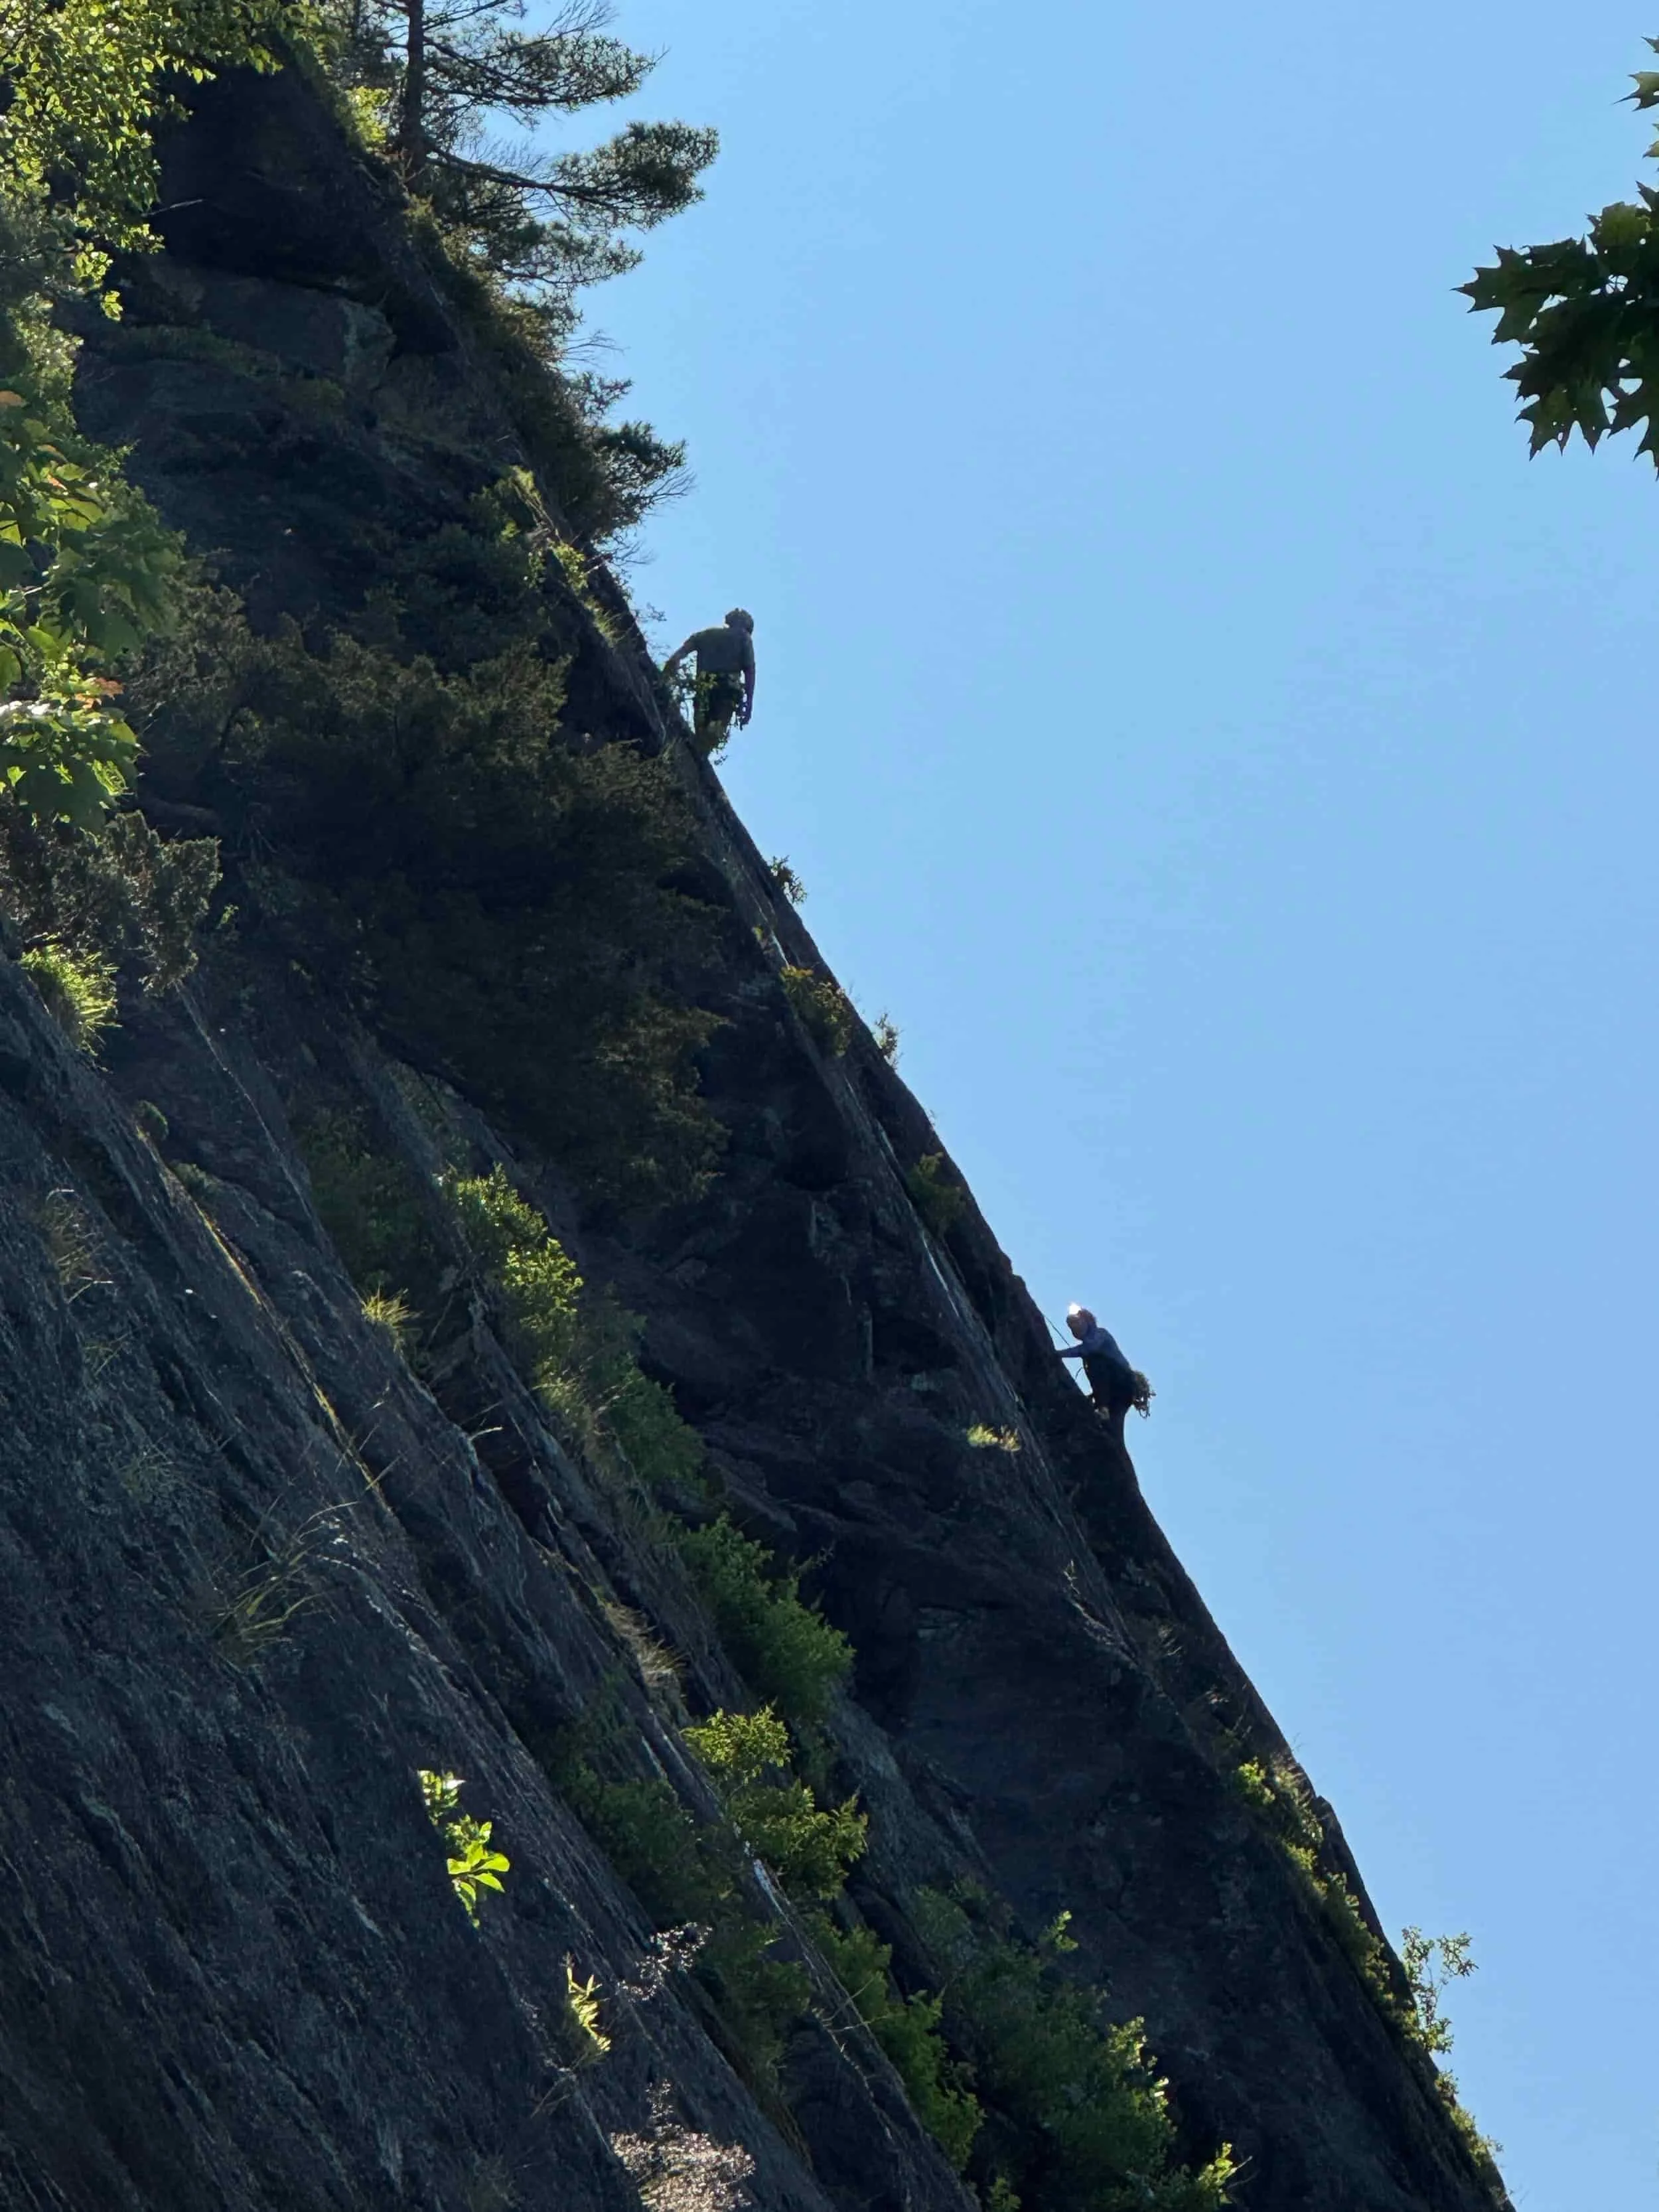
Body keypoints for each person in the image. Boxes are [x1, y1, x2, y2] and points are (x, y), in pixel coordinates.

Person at [662, 608, 756, 753]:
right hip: (727, 691)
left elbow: (682, 652)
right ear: (746, 625)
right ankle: (697, 762)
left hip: (704, 687)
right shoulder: (743, 637)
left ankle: (692, 757)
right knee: (713, 733)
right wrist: (749, 703)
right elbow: (750, 670)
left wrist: (668, 672)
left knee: (701, 728)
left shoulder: (707, 635)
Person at [1056, 1304, 1139, 1424]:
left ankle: (1103, 1408)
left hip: (1123, 1381)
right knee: (1113, 1425)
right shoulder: (1090, 1350)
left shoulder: (1101, 1335)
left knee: (1096, 1361)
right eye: (1071, 1327)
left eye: (1076, 1322)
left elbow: (1090, 1349)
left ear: (1087, 1321)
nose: (1074, 1328)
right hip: (1118, 1390)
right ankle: (1105, 1417)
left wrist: (1059, 1354)